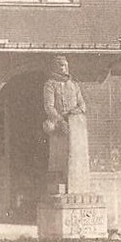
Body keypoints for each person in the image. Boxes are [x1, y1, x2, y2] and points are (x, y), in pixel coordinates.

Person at [42, 55, 89, 194]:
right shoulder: (50, 84)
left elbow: (82, 105)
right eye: (61, 65)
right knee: (58, 156)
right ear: (56, 66)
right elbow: (49, 106)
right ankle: (59, 182)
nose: (64, 68)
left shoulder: (74, 85)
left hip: (74, 125)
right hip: (59, 125)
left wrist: (75, 112)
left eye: (65, 65)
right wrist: (60, 121)